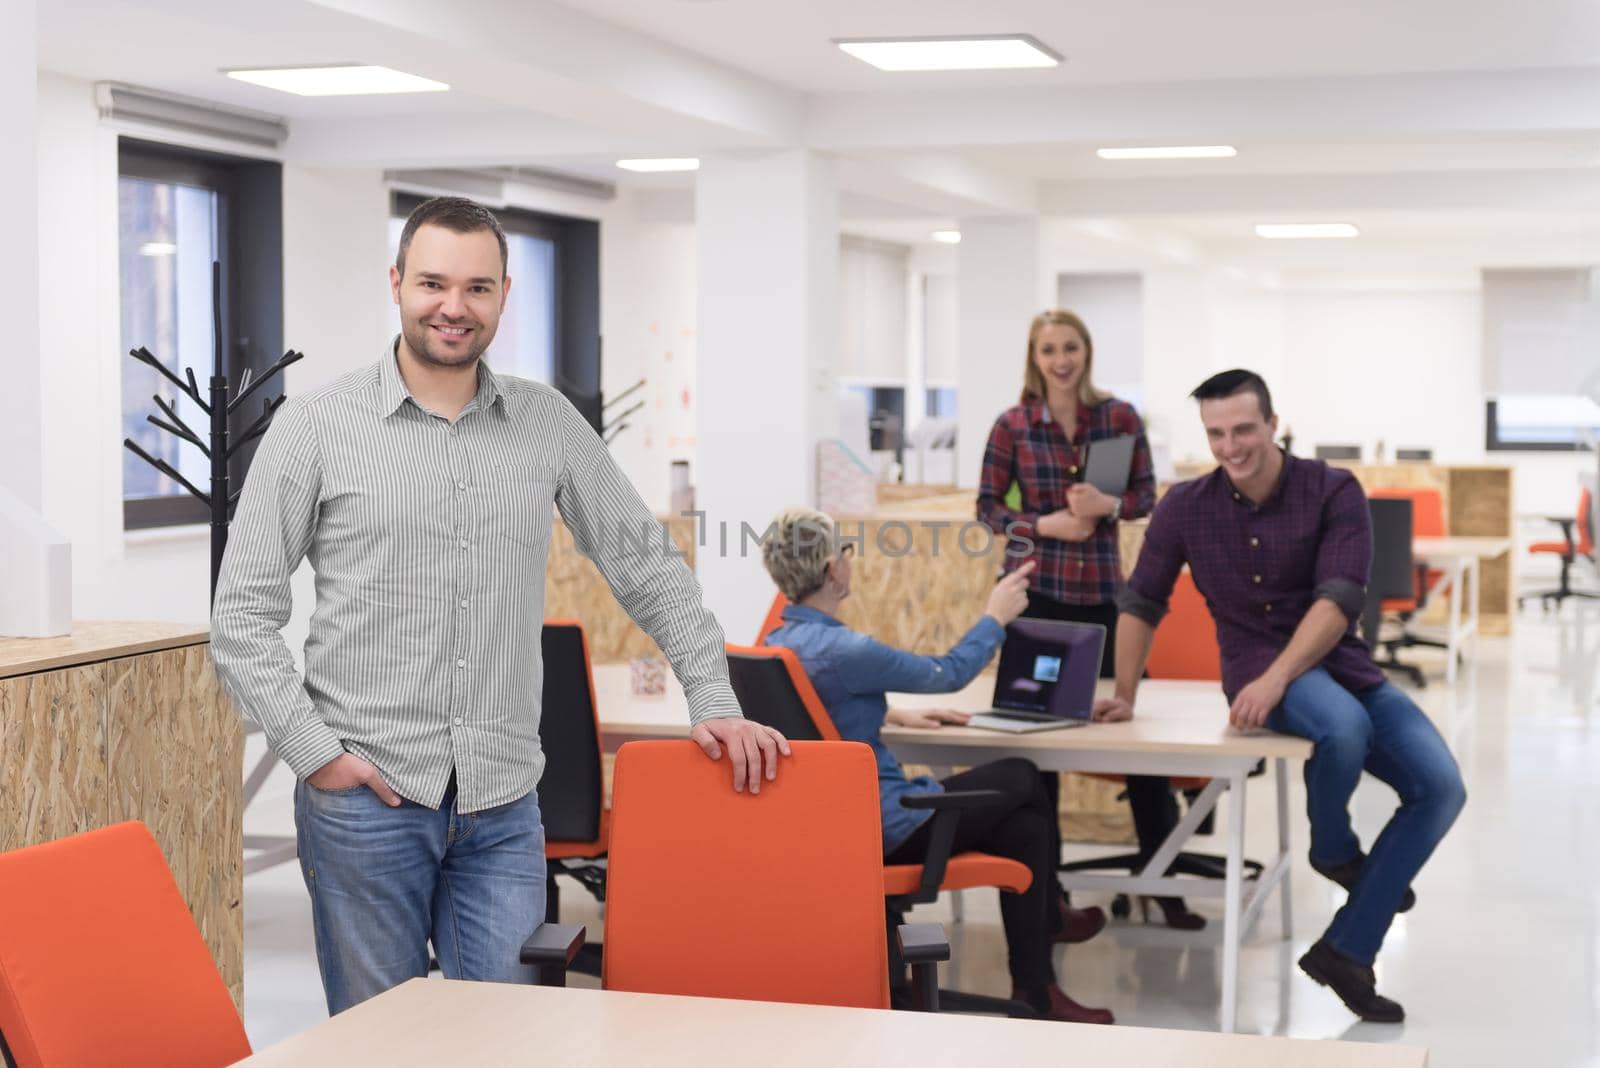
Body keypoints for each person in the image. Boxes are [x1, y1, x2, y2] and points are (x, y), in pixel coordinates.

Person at [211, 196, 789, 1015]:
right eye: (434, 283)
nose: (455, 306)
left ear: (504, 295)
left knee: (510, 1039)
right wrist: (314, 753)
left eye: (477, 287)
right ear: (397, 284)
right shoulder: (314, 426)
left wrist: (714, 695)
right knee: (381, 1045)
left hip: (502, 806)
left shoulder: (546, 422)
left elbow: (644, 563)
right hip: (365, 802)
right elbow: (241, 614)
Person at [1096, 369, 1466, 1023]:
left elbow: (1341, 598)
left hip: (1338, 662)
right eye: (1216, 434)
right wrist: (1125, 693)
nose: (1231, 446)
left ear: (1272, 423)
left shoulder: (1331, 490)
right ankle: (1335, 852)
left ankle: (1345, 945)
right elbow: (1141, 601)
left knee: (1440, 787)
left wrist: (1278, 677)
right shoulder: (1186, 505)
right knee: (1343, 728)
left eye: (1243, 429)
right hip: (1254, 666)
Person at [760, 507, 1114, 1025]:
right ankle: (1050, 920)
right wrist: (995, 617)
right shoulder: (847, 649)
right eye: (847, 554)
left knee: (1026, 828)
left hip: (835, 832)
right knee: (1023, 775)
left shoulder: (777, 645)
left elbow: (817, 712)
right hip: (889, 829)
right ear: (834, 569)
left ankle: (1037, 991)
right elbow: (947, 672)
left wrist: (889, 710)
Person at [976, 308, 1201, 930]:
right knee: (1036, 753)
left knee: (1138, 744)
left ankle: (1163, 884)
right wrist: (1045, 524)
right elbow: (988, 511)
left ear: (1087, 351)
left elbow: (1149, 497)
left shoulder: (1118, 418)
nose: (1061, 360)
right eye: (1048, 349)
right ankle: (1047, 896)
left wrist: (1109, 504)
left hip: (1104, 596)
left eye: (1070, 347)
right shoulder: (1014, 423)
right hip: (1036, 598)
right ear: (1034, 356)